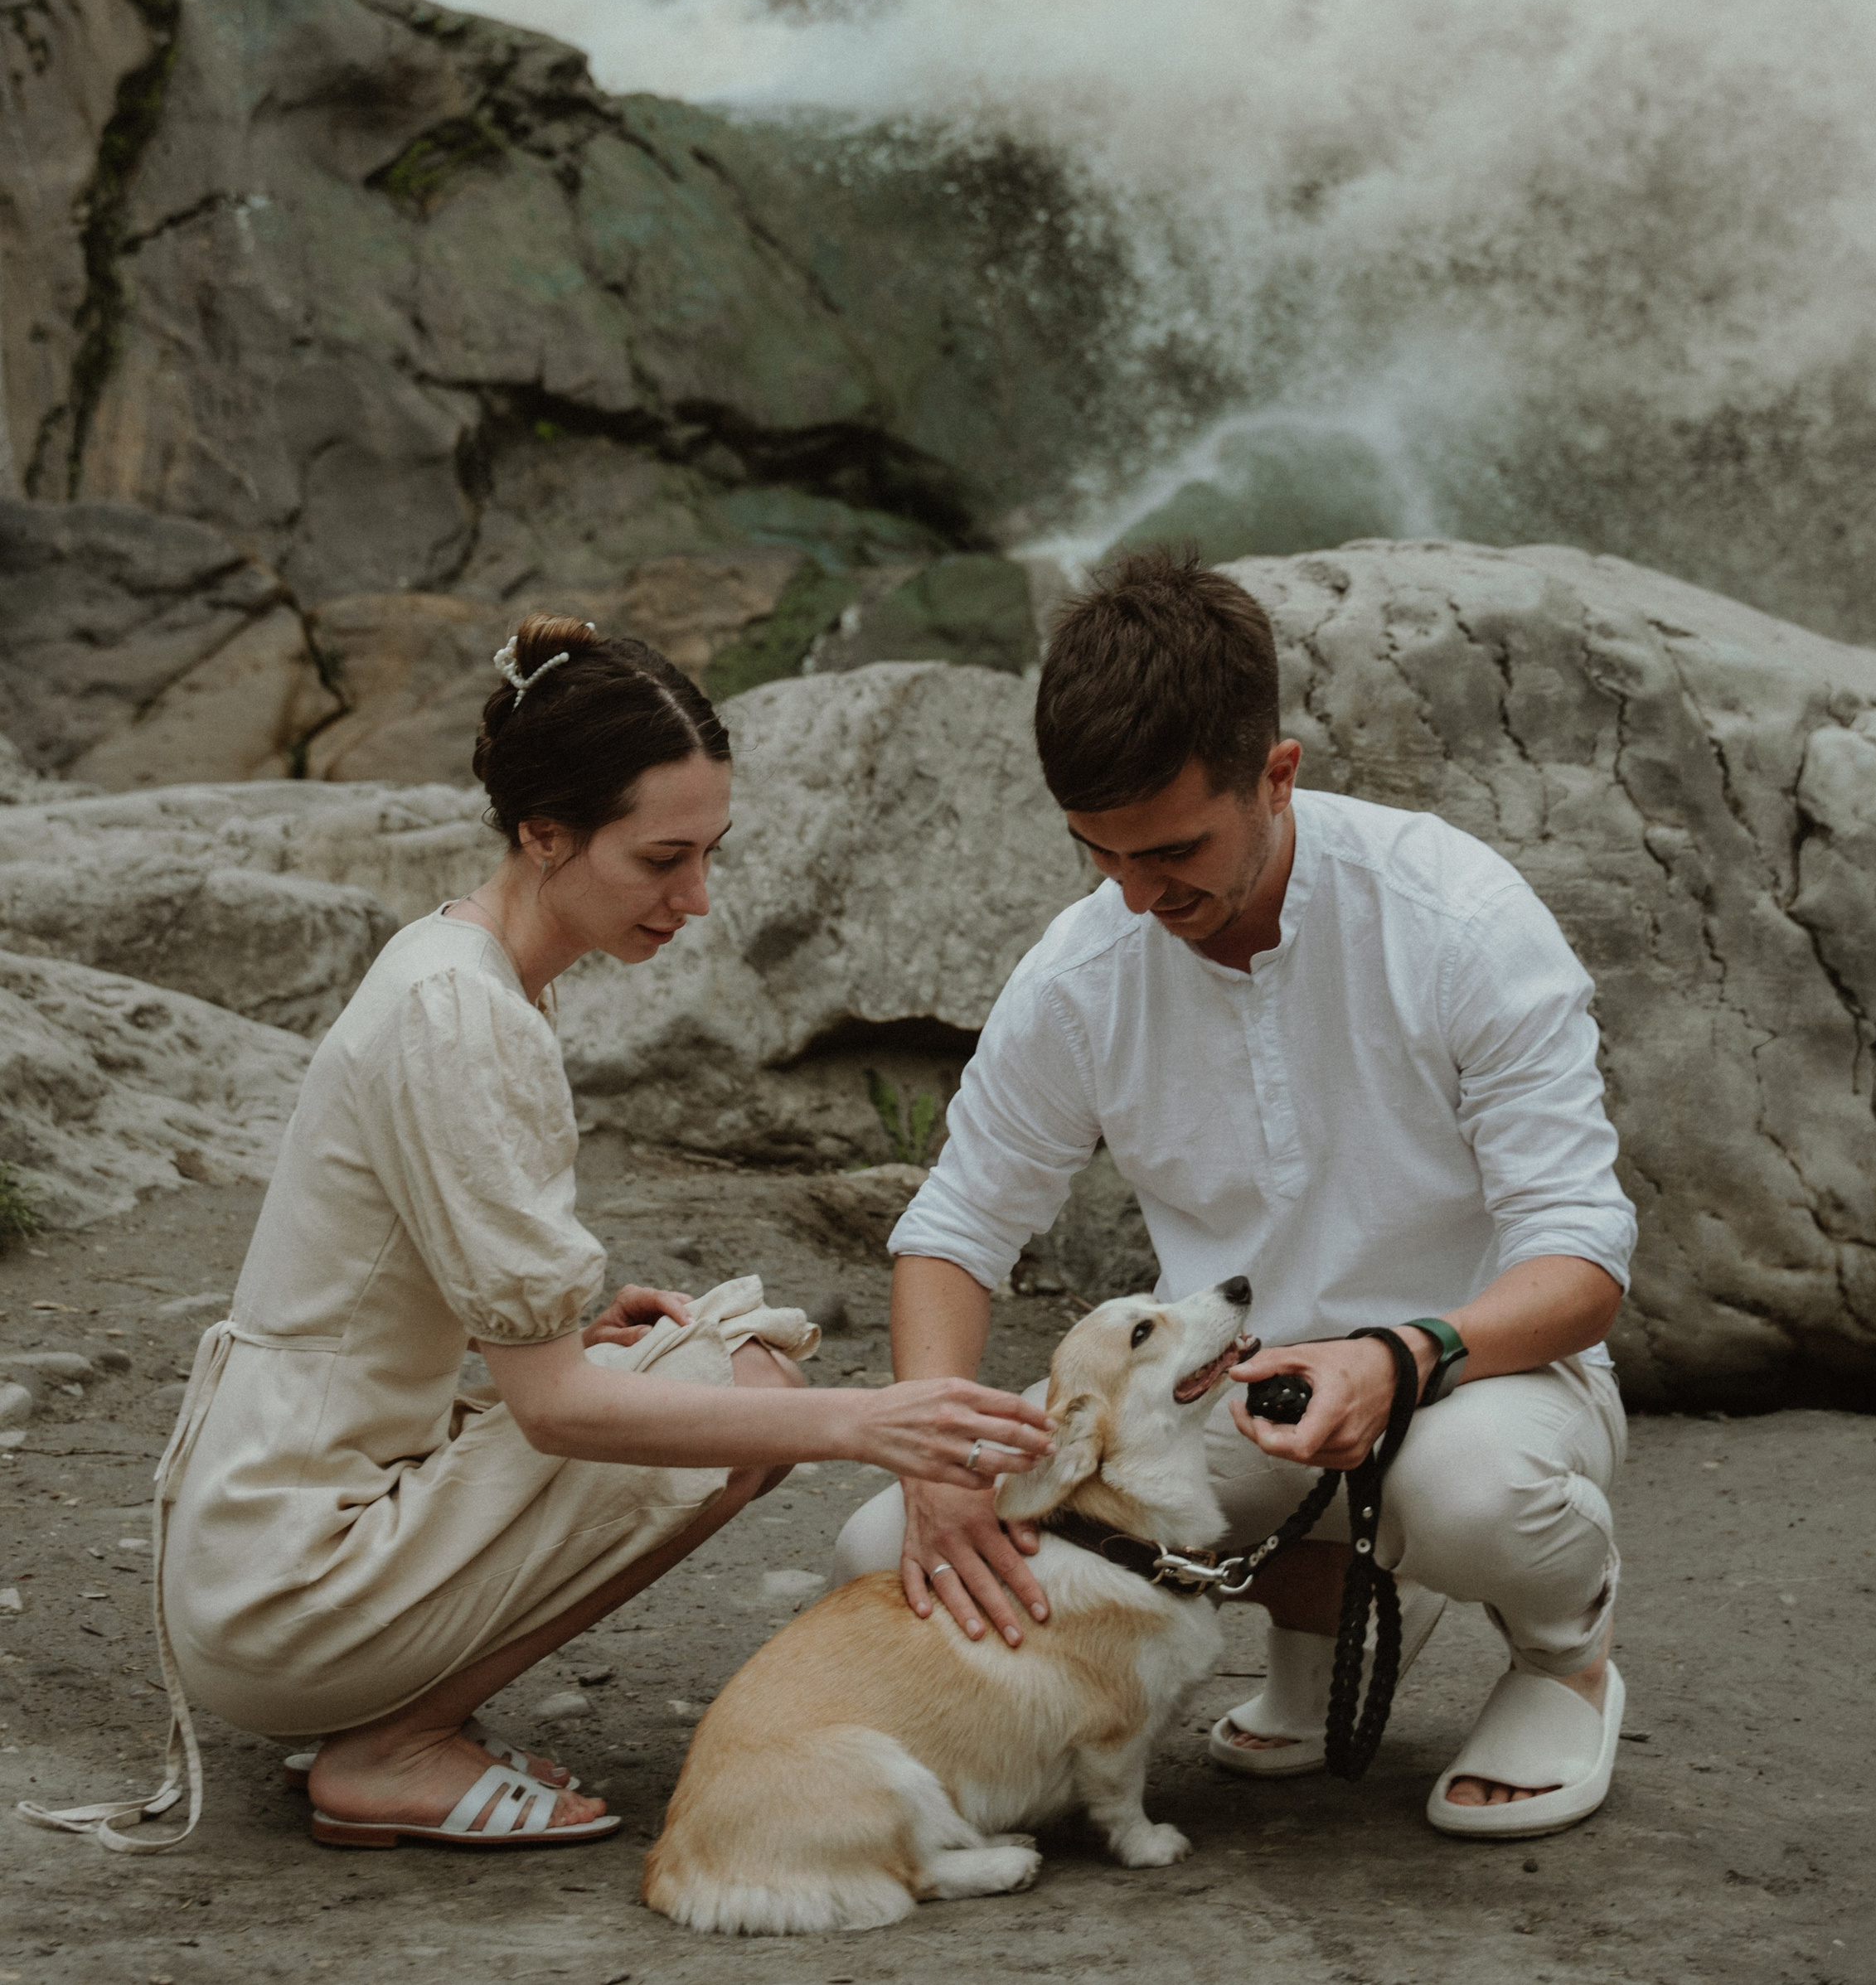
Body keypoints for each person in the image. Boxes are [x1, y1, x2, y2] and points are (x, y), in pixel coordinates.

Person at [27, 615, 1048, 1858]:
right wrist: (870, 1422)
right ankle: (391, 1743)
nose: (697, 897)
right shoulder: (462, 1014)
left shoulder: (463, 963)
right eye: (661, 857)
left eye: (710, 852)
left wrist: (554, 1318)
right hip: (287, 1581)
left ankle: (391, 1716)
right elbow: (560, 1410)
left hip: (271, 1536)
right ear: (544, 832)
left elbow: (389, 1273)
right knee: (753, 1378)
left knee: (704, 1369)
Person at [831, 550, 1636, 1837]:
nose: (1141, 898)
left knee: (1467, 1494)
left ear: (1279, 774)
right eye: (1100, 853)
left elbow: (1585, 1262)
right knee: (890, 1550)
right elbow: (956, 1229)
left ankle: (1563, 1661)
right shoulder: (1087, 966)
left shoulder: (1457, 914)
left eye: (1174, 850)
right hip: (1223, 1388)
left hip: (1475, 1377)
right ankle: (1327, 1624)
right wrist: (942, 1460)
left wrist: (1402, 1354)